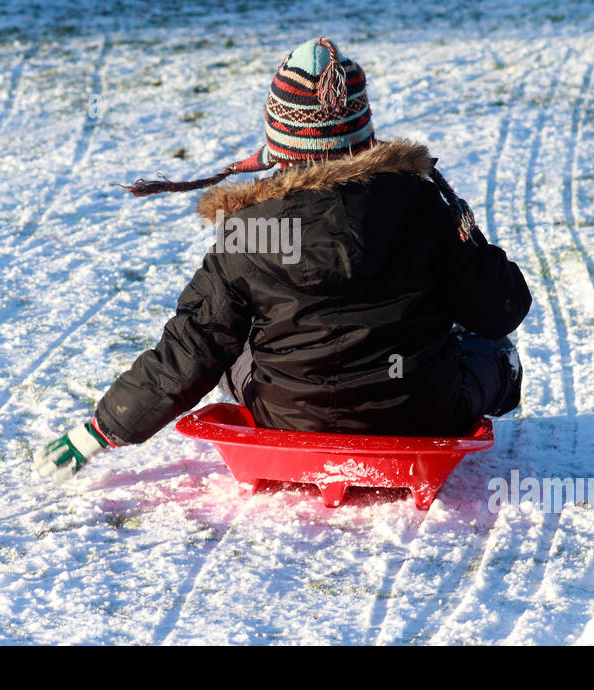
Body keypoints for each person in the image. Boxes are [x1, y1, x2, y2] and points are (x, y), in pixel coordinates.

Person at [35, 37, 531, 481]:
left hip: (290, 415)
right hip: (420, 413)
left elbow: (192, 347)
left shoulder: (252, 230)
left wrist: (99, 431)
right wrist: (467, 243)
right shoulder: (420, 205)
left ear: (279, 140)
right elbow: (502, 309)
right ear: (364, 133)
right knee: (492, 346)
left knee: (229, 339)